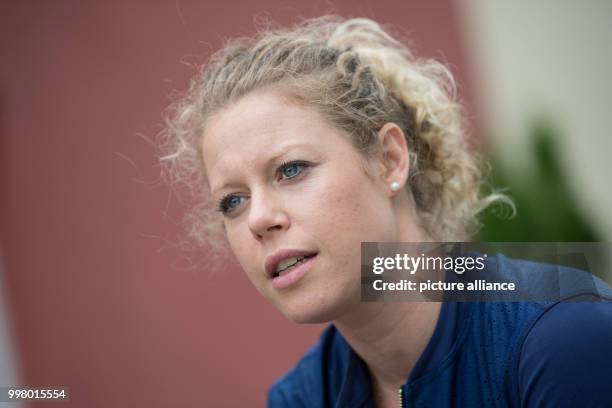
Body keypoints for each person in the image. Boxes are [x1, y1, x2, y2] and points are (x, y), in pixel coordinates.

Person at [158, 16, 612, 407]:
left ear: (390, 159)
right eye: (233, 201)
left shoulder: (561, 336)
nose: (258, 219)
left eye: (291, 169)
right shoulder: (300, 398)